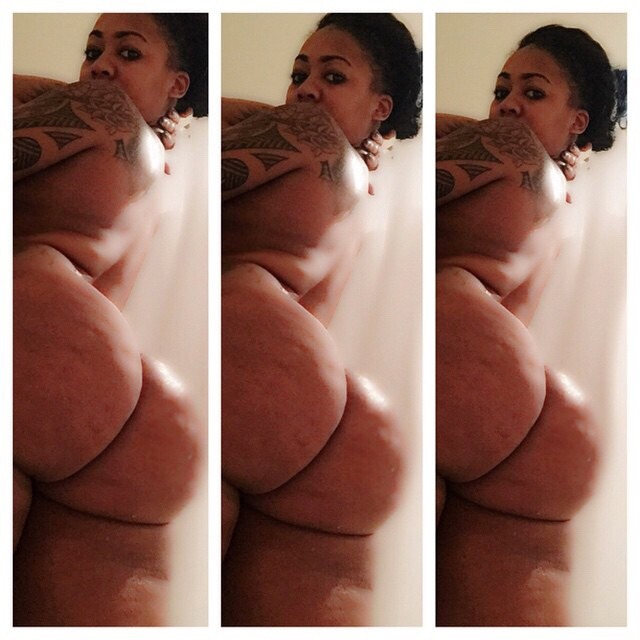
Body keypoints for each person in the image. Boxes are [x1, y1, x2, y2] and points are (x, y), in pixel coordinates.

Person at [221, 13, 422, 626]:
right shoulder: (336, 162)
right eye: (298, 74)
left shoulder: (308, 153)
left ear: (382, 106)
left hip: (263, 389)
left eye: (333, 77)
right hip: (301, 409)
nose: (306, 89)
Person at [13, 13, 208, 626]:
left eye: (128, 53)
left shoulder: (95, 120)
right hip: (107, 396)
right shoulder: (150, 151)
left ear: (178, 83)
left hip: (33, 350)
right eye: (93, 49)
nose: (99, 65)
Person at [435, 24, 626, 625]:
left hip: (476, 389)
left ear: (579, 121)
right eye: (501, 91)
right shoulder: (534, 172)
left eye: (534, 92)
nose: (507, 105)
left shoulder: (509, 163)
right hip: (525, 412)